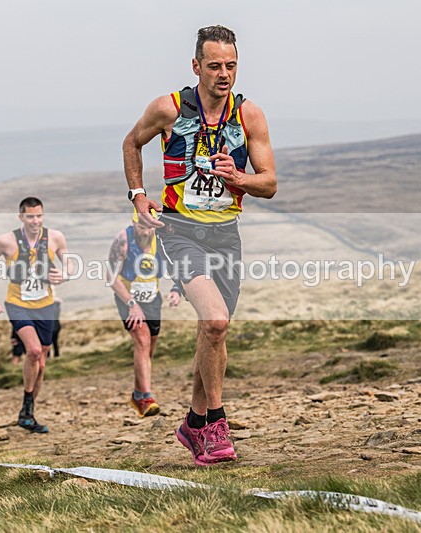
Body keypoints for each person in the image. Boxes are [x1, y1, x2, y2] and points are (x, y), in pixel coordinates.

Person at [122, 26, 277, 465]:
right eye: (214, 66)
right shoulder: (168, 109)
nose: (224, 74)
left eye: (231, 65)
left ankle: (192, 423)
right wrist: (138, 196)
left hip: (226, 234)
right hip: (180, 231)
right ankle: (216, 423)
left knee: (214, 332)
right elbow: (132, 143)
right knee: (214, 321)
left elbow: (270, 183)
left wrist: (240, 178)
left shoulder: (250, 117)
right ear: (196, 67)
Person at [0, 197, 71, 433]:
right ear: (21, 217)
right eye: (30, 216)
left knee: (40, 363)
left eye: (39, 216)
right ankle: (27, 410)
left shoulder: (55, 237)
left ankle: (27, 411)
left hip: (45, 305)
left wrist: (64, 275)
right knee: (32, 351)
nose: (35, 221)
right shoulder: (6, 241)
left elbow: (69, 264)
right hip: (17, 303)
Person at [107, 210, 181, 417]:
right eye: (141, 225)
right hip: (127, 298)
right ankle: (147, 398)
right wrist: (132, 304)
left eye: (150, 226)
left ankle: (137, 394)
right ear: (134, 223)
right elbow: (111, 277)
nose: (146, 230)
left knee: (149, 349)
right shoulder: (123, 240)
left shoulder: (163, 240)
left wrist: (176, 290)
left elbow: (179, 265)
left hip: (152, 298)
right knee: (142, 341)